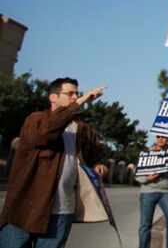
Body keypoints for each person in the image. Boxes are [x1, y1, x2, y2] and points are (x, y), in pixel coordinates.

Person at [0, 78, 107, 248]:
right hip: (25, 208)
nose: (75, 97)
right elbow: (44, 134)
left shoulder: (82, 129)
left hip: (62, 211)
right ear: (53, 97)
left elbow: (96, 150)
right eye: (70, 93)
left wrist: (99, 163)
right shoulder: (37, 120)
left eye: (77, 93)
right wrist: (79, 103)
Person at [136, 135, 168, 248]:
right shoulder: (147, 153)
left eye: (164, 137)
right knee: (145, 225)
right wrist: (148, 178)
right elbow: (138, 176)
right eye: (158, 137)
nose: (161, 139)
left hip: (166, 192)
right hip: (148, 191)